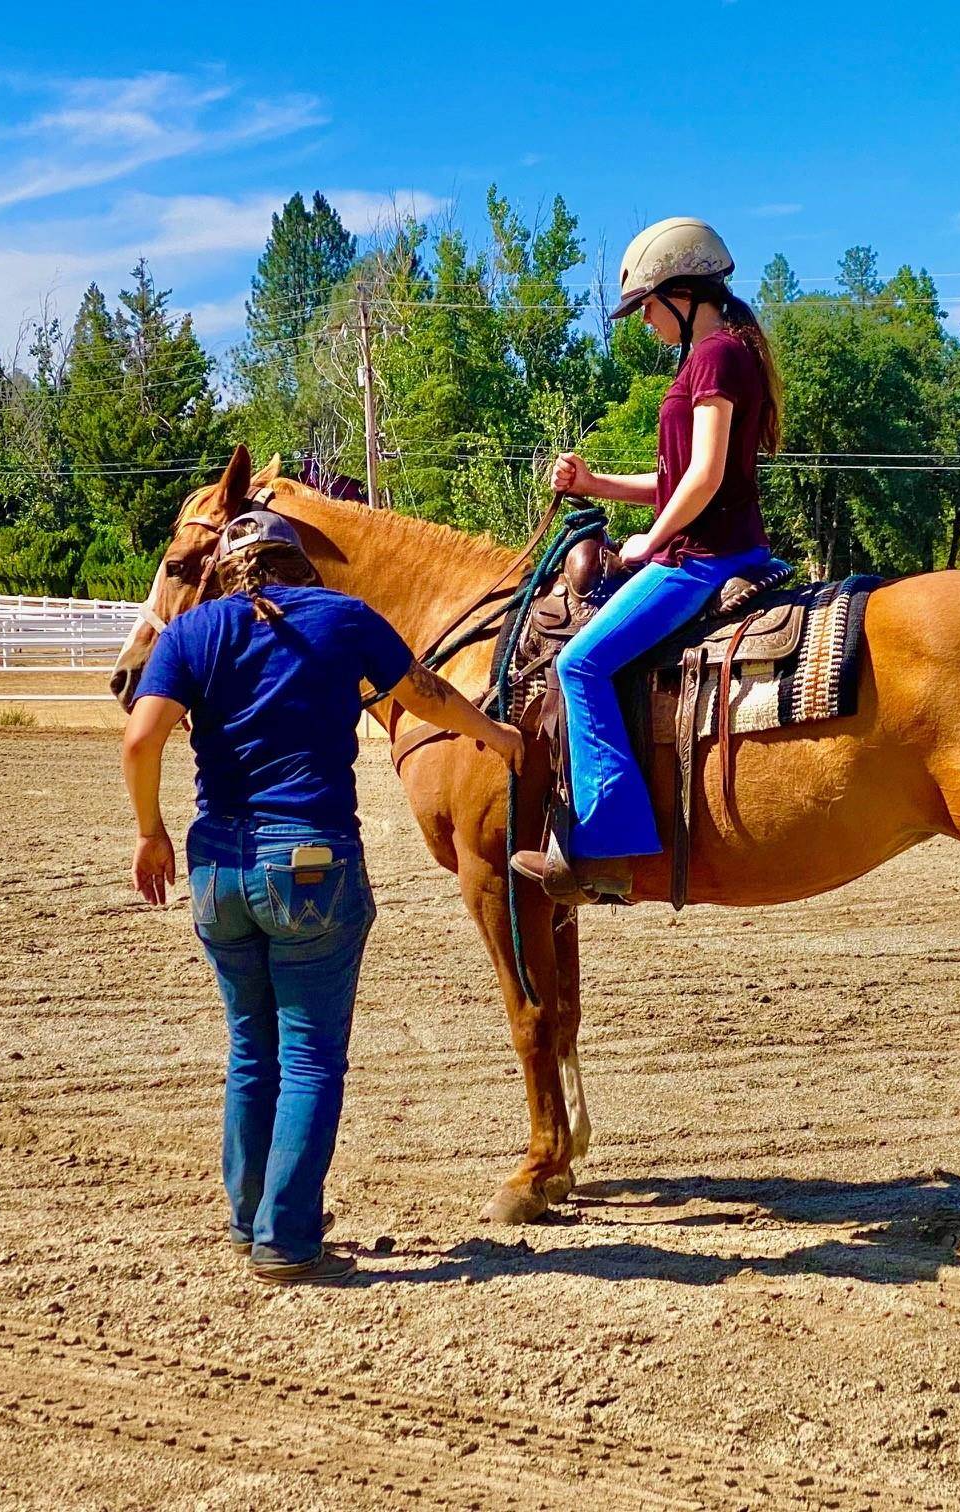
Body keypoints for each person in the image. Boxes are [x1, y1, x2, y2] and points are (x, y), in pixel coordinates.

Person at [122, 510, 522, 1285]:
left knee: (250, 1050)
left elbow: (141, 739)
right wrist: (496, 736)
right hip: (309, 858)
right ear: (298, 563)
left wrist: (150, 832)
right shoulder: (344, 618)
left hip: (217, 868)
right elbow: (427, 695)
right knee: (309, 1056)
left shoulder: (194, 632)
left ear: (231, 570)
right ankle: (287, 1237)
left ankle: (248, 1223)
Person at [511, 217, 785, 902]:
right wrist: (595, 485)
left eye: (645, 308)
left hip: (703, 560)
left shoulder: (717, 356)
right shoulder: (713, 354)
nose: (642, 324)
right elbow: (676, 478)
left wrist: (654, 541)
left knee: (580, 662)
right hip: (707, 547)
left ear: (682, 294)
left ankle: (607, 845)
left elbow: (706, 477)